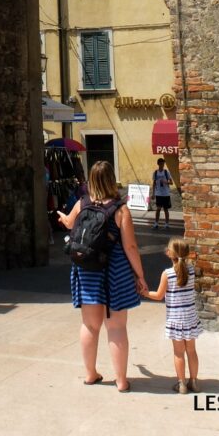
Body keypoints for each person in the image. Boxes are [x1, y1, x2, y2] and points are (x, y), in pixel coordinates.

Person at [57, 160, 148, 392]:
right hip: (114, 273)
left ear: (91, 180)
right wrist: (140, 276)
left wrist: (63, 217)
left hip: (87, 271)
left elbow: (69, 223)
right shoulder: (120, 210)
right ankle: (121, 380)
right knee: (116, 327)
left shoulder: (82, 203)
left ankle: (90, 374)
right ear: (111, 179)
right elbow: (130, 248)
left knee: (89, 325)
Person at [145, 238, 202, 394]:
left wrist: (143, 292)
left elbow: (158, 295)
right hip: (190, 317)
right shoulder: (191, 270)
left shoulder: (168, 274)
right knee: (192, 351)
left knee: (178, 353)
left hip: (175, 319)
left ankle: (181, 384)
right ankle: (194, 382)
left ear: (170, 254)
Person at [151, 157, 173, 229]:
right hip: (158, 193)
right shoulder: (155, 173)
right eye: (161, 164)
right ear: (158, 164)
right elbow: (154, 183)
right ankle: (156, 223)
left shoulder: (166, 172)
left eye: (163, 164)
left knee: (166, 209)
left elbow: (171, 182)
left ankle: (167, 224)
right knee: (158, 209)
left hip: (166, 193)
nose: (162, 165)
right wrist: (153, 193)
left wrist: (166, 182)